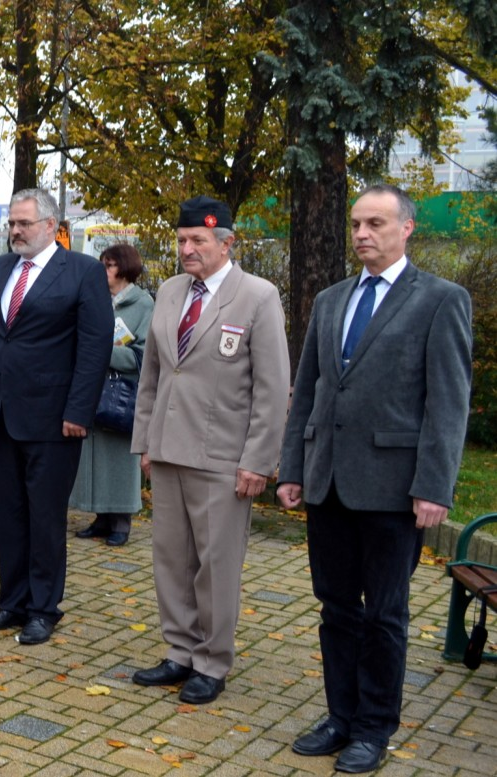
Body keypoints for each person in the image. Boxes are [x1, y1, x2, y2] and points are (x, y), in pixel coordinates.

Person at [277, 185, 472, 774]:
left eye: (376, 224)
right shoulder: (331, 300)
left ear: (406, 229)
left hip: (393, 488)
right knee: (336, 608)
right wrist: (292, 468)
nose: (362, 233)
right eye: (357, 223)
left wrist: (434, 486)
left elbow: (448, 403)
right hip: (328, 482)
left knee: (384, 613)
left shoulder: (440, 299)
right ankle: (340, 716)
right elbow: (307, 391)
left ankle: (373, 728)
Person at [129, 195, 290, 705]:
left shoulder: (258, 296)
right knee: (171, 559)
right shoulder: (172, 291)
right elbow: (152, 374)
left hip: (224, 457)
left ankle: (212, 662)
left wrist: (258, 460)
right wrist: (146, 442)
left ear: (227, 242)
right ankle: (179, 651)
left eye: (198, 240)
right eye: (181, 240)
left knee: (216, 565)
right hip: (170, 450)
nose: (187, 249)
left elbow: (271, 386)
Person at [0, 188, 110, 645]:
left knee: (45, 517)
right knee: (7, 513)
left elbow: (94, 348)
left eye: (24, 223)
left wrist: (79, 410)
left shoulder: (81, 271)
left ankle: (44, 607)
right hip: (2, 415)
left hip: (53, 418)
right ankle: (12, 601)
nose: (15, 231)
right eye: (11, 224)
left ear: (51, 226)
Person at [70, 244, 154, 546]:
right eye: (102, 264)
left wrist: (100, 352)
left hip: (123, 393)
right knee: (94, 456)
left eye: (109, 265)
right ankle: (100, 517)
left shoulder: (143, 304)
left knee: (119, 458)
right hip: (93, 389)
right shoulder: (94, 300)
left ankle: (122, 522)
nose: (102, 271)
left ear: (125, 268)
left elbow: (143, 356)